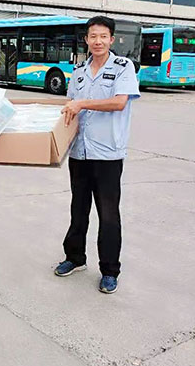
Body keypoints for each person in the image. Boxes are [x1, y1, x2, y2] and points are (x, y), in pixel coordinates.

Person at [54, 16, 140, 294]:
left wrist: (82, 103)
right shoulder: (78, 72)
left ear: (111, 39)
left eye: (103, 36)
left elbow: (119, 102)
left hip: (107, 154)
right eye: (93, 36)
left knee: (108, 214)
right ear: (86, 39)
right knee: (78, 209)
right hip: (79, 152)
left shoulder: (124, 67)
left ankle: (110, 270)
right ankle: (75, 257)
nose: (98, 41)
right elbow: (70, 106)